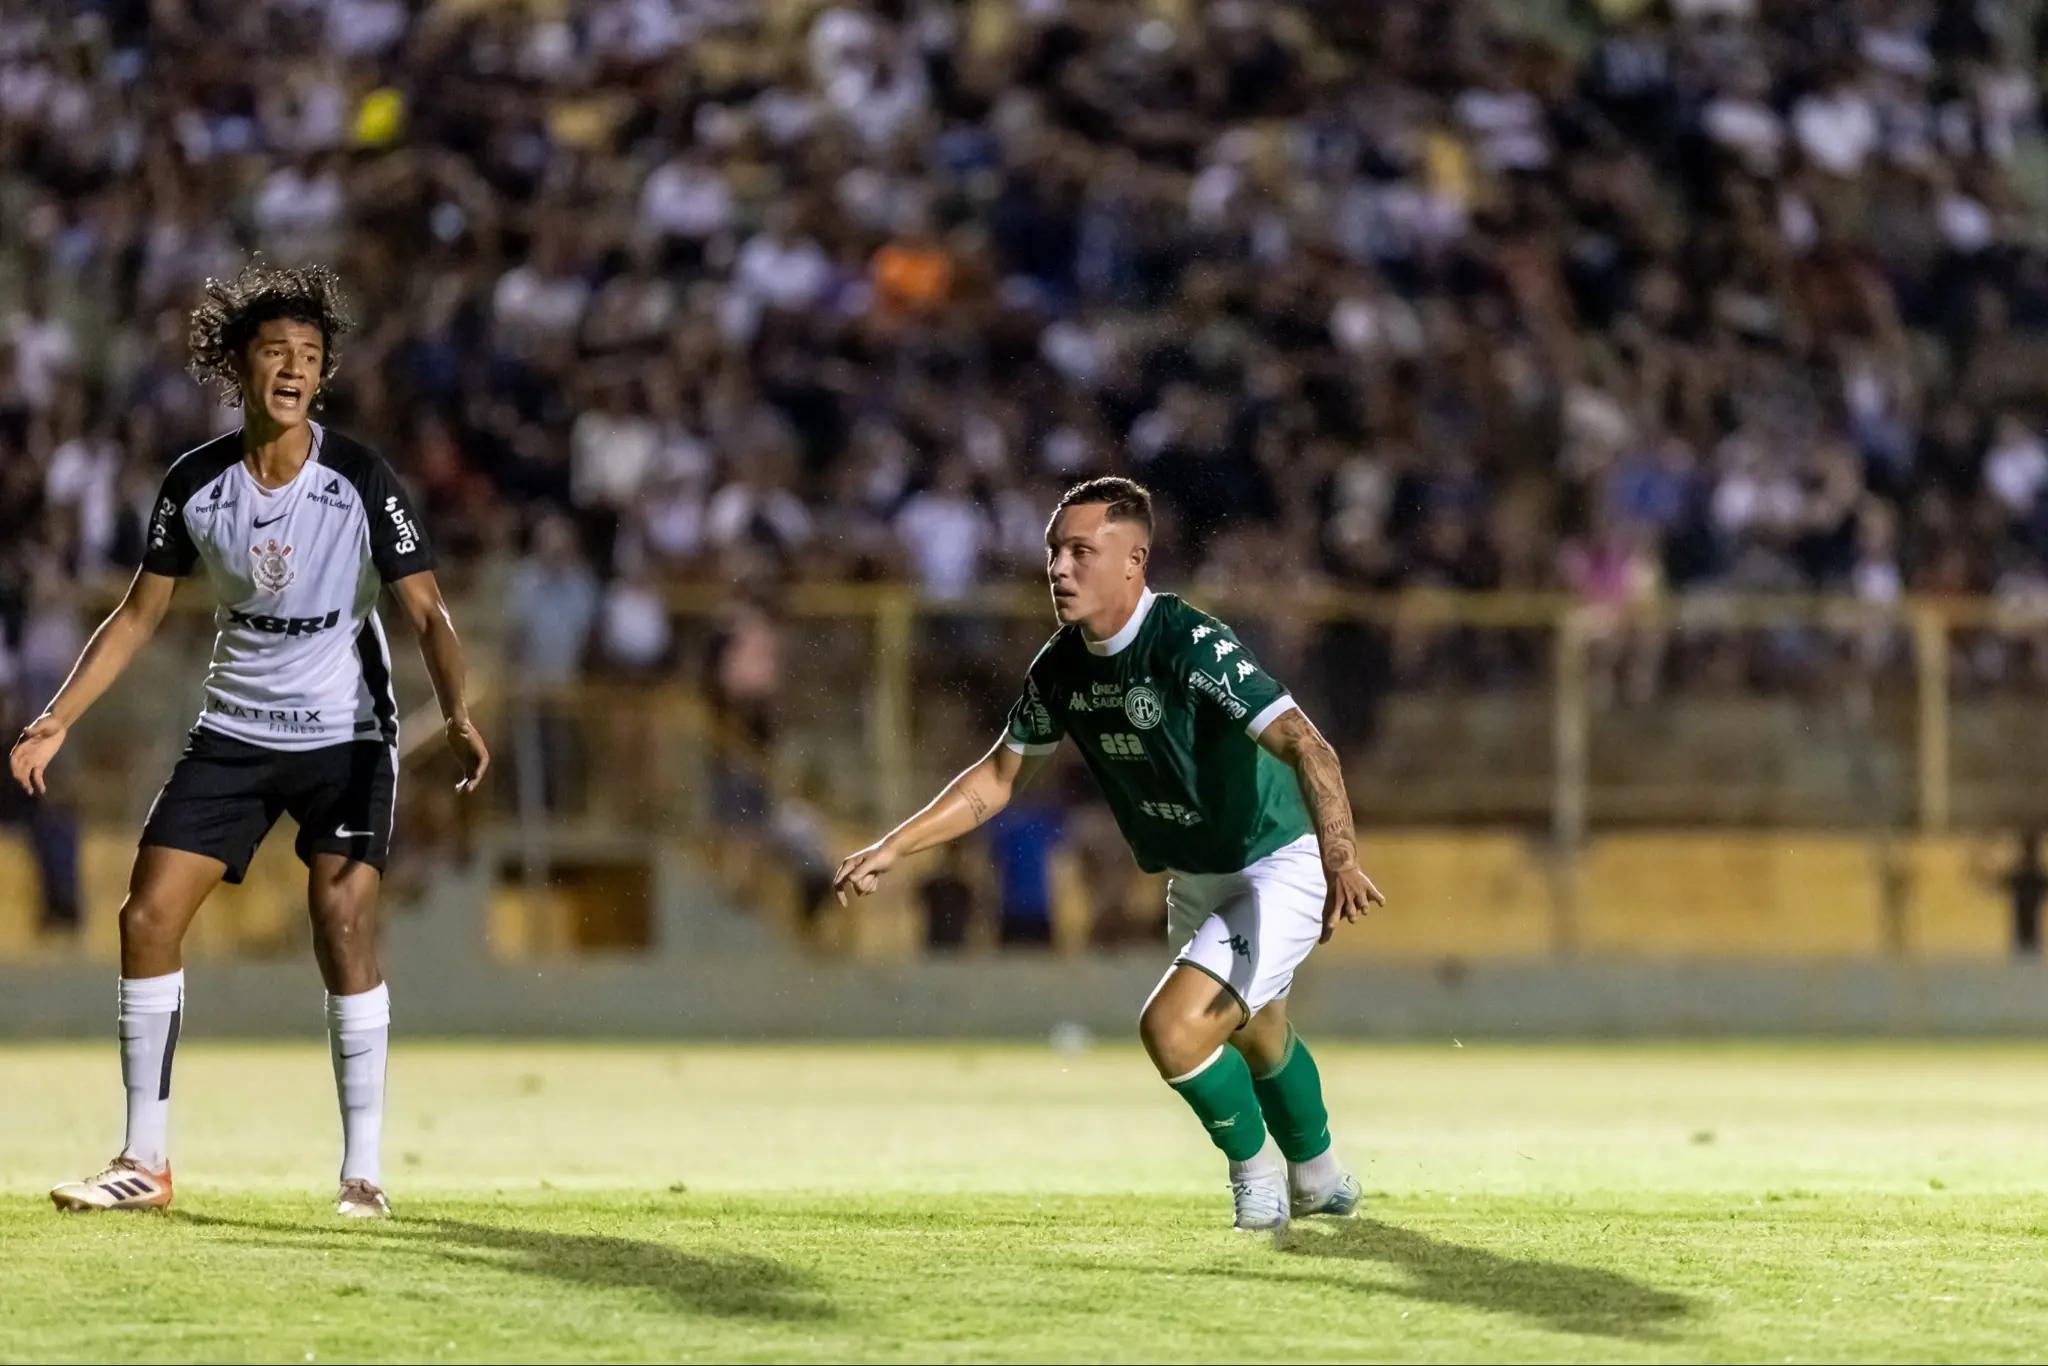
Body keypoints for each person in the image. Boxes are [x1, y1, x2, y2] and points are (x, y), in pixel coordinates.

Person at [7, 262, 490, 1219]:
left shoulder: (359, 477)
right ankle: (144, 1163)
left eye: (310, 356)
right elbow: (138, 617)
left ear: (323, 375)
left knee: (342, 919)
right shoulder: (195, 483)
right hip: (234, 726)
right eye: (276, 351)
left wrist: (459, 710)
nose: (294, 368)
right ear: (239, 365)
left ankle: (363, 1173)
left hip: (348, 732)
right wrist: (59, 715)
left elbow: (428, 613)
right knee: (146, 917)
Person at [833, 477, 1385, 1232]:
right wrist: (895, 846)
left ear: (1134, 561)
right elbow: (999, 777)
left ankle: (1257, 1177)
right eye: (1054, 551)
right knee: (1257, 1031)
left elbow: (1305, 743)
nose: (1059, 567)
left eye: (1080, 551)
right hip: (1196, 874)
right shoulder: (1061, 666)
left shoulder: (1189, 643)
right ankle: (1322, 1179)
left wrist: (1340, 856)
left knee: (1173, 1029)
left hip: (1274, 860)